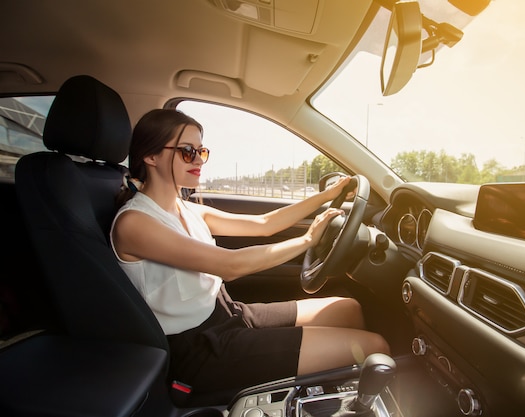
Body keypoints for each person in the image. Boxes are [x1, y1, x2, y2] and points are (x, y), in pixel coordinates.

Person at [110, 108, 390, 398]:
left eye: (201, 152)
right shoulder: (136, 223)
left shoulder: (186, 208)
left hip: (228, 314)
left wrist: (326, 196)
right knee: (376, 347)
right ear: (151, 156)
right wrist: (307, 240)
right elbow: (231, 265)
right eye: (187, 152)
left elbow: (265, 224)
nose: (198, 160)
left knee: (349, 308)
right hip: (199, 351)